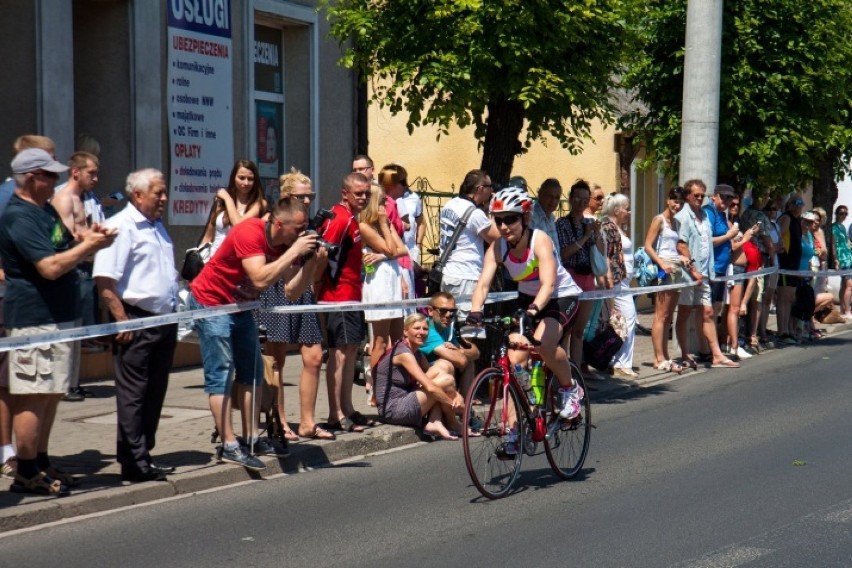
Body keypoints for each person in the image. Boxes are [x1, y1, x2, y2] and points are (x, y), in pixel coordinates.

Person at [0, 148, 116, 495]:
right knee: (33, 394)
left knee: (50, 393)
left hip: (61, 316)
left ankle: (42, 459)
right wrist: (86, 247)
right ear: (32, 177)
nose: (55, 181)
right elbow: (49, 266)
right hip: (36, 319)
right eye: (49, 175)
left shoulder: (44, 210)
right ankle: (26, 470)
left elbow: (60, 246)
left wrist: (87, 241)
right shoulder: (19, 216)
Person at [189, 196, 321, 470]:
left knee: (252, 371)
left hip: (240, 306)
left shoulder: (285, 246)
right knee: (221, 373)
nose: (302, 233)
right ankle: (229, 444)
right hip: (212, 303)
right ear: (277, 222)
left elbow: (291, 292)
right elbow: (260, 277)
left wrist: (309, 264)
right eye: (298, 228)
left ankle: (251, 438)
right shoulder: (250, 232)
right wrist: (295, 250)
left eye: (305, 227)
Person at [468, 186, 585, 457]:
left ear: (525, 218)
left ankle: (570, 389)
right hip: (527, 300)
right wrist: (475, 310)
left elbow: (548, 283)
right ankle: (514, 432)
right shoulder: (498, 246)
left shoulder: (539, 240)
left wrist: (533, 311)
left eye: (511, 219)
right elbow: (483, 282)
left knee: (543, 343)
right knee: (513, 361)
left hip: (559, 296)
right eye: (499, 220)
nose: (504, 226)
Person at [93, 168, 179, 483]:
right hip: (136, 320)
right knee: (134, 395)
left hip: (164, 321)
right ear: (138, 195)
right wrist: (120, 318)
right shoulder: (120, 228)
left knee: (155, 392)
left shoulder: (157, 227)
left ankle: (144, 454)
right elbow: (104, 281)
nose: (164, 198)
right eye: (159, 192)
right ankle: (134, 462)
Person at [254, 169, 334, 441]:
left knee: (313, 357)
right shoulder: (273, 222)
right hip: (277, 289)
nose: (309, 201)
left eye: (310, 196)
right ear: (287, 196)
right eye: (302, 196)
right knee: (275, 361)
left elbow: (315, 272)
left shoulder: (308, 226)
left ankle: (308, 422)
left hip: (303, 291)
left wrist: (318, 259)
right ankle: (280, 421)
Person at [0, 135, 57, 479]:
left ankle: (33, 456)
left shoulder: (45, 205)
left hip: (46, 306)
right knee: (9, 382)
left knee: (36, 387)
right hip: (13, 301)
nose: (55, 174)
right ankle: (9, 452)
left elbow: (53, 243)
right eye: (48, 165)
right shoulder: (8, 198)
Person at [315, 172, 375, 433]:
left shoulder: (351, 218)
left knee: (351, 353)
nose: (363, 197)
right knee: (339, 355)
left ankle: (348, 407)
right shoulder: (339, 218)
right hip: (337, 298)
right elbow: (320, 255)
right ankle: (335, 414)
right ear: (345, 193)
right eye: (358, 193)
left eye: (366, 193)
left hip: (352, 296)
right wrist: (316, 290)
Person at [51, 151, 105, 400]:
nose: (95, 177)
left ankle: (73, 382)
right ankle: (63, 385)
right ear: (76, 172)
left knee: (79, 329)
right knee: (67, 330)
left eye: (96, 173)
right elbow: (62, 237)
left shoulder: (87, 197)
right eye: (90, 173)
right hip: (72, 269)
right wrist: (90, 239)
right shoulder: (64, 198)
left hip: (86, 268)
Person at [675, 179, 739, 369]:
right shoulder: (683, 216)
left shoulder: (703, 215)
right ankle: (685, 354)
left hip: (704, 272)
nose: (699, 199)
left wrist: (706, 271)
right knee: (685, 314)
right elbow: (681, 244)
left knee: (709, 312)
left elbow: (706, 244)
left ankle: (717, 354)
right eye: (696, 195)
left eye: (702, 195)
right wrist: (693, 269)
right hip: (689, 274)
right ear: (688, 196)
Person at [373, 313, 465, 440]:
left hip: (407, 397)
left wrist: (456, 396)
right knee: (446, 380)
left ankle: (435, 421)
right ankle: (452, 423)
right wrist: (453, 403)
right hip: (393, 409)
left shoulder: (417, 353)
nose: (422, 332)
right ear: (405, 332)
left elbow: (434, 378)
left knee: (444, 365)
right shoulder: (403, 353)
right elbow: (430, 386)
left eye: (425, 329)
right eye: (416, 328)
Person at [359, 185, 408, 397]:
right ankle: (378, 390)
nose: (384, 207)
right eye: (381, 202)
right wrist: (382, 225)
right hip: (378, 283)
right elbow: (391, 249)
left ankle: (395, 385)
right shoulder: (365, 225)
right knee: (379, 339)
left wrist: (382, 254)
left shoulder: (384, 225)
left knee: (398, 338)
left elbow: (402, 250)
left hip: (392, 280)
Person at [437, 169, 499, 331]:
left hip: (449, 274)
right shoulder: (474, 213)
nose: (492, 191)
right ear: (480, 189)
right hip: (467, 276)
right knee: (469, 332)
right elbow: (496, 239)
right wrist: (492, 212)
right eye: (489, 187)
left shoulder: (450, 205)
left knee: (448, 330)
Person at [555, 180, 605, 377]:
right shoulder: (562, 225)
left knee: (579, 330)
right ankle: (562, 372)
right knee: (565, 329)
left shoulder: (589, 223)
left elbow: (599, 254)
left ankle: (576, 373)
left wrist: (597, 235)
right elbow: (564, 254)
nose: (581, 203)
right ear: (570, 199)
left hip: (587, 277)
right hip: (570, 277)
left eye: (585, 199)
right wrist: (584, 237)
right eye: (577, 199)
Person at [644, 186, 688, 373]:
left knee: (669, 315)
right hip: (665, 268)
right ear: (668, 200)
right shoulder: (659, 219)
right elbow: (647, 245)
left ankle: (666, 356)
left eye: (681, 202)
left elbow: (677, 247)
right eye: (675, 201)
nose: (677, 205)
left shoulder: (676, 223)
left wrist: (684, 258)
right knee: (660, 315)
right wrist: (661, 264)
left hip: (676, 267)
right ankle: (658, 357)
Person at [600, 193, 638, 378]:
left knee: (622, 321)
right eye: (626, 208)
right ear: (617, 210)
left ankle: (617, 360)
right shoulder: (607, 227)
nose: (629, 212)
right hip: (617, 282)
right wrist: (609, 279)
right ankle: (621, 362)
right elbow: (606, 253)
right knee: (628, 318)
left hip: (623, 282)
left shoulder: (617, 227)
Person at [200, 160, 267, 257]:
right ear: (234, 178)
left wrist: (228, 198)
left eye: (250, 179)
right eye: (241, 178)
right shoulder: (221, 202)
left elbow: (238, 225)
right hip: (213, 260)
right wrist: (200, 258)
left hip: (236, 263)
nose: (246, 182)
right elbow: (208, 236)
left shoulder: (260, 204)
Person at [419, 291, 480, 399]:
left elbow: (475, 352)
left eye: (452, 311)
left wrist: (457, 349)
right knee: (446, 363)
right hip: (423, 380)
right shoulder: (426, 330)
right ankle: (459, 408)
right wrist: (459, 352)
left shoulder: (447, 328)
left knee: (469, 363)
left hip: (439, 378)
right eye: (443, 311)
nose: (448, 315)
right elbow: (461, 361)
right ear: (430, 311)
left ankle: (466, 406)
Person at [702, 184, 739, 349]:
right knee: (707, 311)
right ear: (714, 196)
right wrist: (728, 236)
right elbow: (707, 241)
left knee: (716, 309)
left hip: (722, 269)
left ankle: (712, 347)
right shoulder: (709, 213)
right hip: (712, 268)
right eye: (723, 197)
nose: (726, 201)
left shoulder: (722, 215)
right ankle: (706, 348)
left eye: (729, 198)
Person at [722, 195, 757, 359]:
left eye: (737, 204)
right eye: (732, 204)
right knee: (734, 308)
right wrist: (745, 238)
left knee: (732, 308)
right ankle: (734, 345)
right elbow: (732, 246)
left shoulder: (734, 223)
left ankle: (729, 342)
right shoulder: (727, 225)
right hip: (733, 268)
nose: (735, 207)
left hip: (740, 268)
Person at [776, 193, 805, 344]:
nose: (799, 206)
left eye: (801, 203)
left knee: (790, 298)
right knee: (783, 297)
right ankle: (782, 331)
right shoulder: (786, 217)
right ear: (790, 204)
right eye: (796, 202)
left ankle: (788, 329)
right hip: (785, 263)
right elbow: (779, 234)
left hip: (794, 265)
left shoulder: (797, 220)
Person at [831, 205, 852, 317]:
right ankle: (848, 310)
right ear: (837, 214)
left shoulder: (843, 227)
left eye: (845, 213)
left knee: (844, 285)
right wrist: (835, 259)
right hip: (842, 258)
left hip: (848, 256)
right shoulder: (834, 227)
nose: (843, 215)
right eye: (841, 213)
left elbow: (847, 242)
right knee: (849, 285)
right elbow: (834, 244)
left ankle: (843, 310)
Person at [530, 178, 561, 247]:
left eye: (557, 197)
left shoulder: (551, 218)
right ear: (540, 194)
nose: (553, 201)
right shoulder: (531, 217)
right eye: (550, 196)